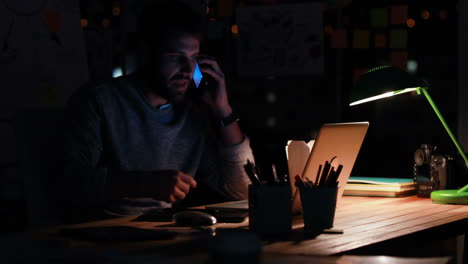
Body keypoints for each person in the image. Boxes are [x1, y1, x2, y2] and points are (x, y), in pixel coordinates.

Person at [61, 0, 254, 221]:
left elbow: (242, 191)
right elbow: (69, 184)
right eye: (175, 57)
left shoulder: (192, 113)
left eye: (194, 58)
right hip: (101, 234)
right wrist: (143, 184)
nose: (188, 70)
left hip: (163, 231)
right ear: (146, 53)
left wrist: (224, 111)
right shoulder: (100, 101)